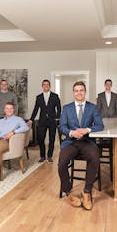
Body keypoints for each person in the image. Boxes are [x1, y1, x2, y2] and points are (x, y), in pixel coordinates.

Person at [58, 81, 104, 210]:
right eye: (76, 90)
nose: (79, 93)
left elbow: (100, 125)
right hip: (71, 142)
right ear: (73, 93)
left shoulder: (92, 107)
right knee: (61, 162)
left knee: (95, 157)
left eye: (81, 90)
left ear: (85, 92)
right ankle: (69, 193)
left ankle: (87, 192)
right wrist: (71, 132)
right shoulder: (66, 108)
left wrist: (87, 130)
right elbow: (62, 126)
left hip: (87, 141)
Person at [27, 79, 61, 163]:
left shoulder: (55, 96)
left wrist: (57, 117)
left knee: (52, 139)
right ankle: (42, 156)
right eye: (44, 85)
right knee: (41, 138)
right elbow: (36, 109)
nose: (46, 86)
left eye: (47, 84)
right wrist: (31, 119)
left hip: (52, 121)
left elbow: (59, 108)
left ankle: (49, 156)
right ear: (42, 86)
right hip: (42, 121)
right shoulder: (39, 97)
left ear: (49, 86)